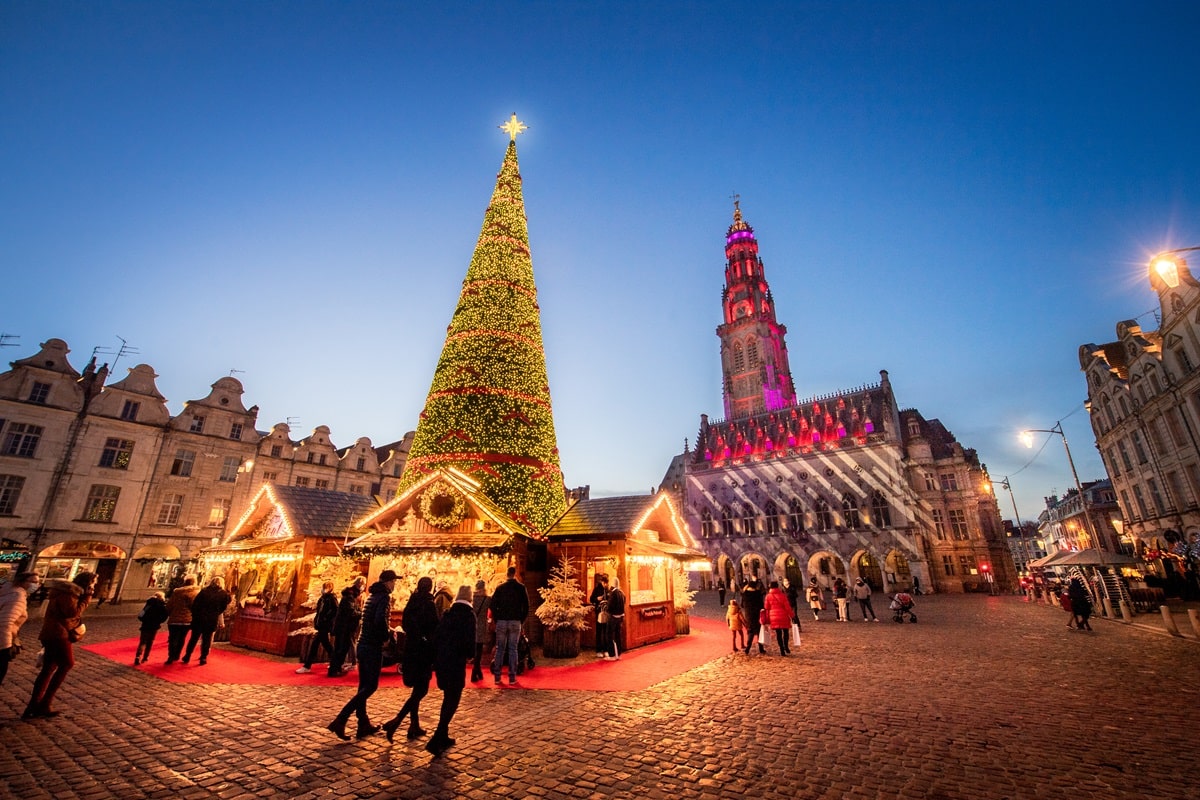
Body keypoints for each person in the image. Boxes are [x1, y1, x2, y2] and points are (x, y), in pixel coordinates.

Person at [328, 569, 396, 741]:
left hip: (363, 643)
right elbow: (380, 620)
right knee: (371, 686)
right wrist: (387, 636)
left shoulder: (372, 596)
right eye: (394, 581)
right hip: (373, 645)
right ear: (388, 582)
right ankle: (341, 718)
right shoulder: (384, 597)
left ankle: (363, 723)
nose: (395, 584)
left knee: (364, 685)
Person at [24, 571, 95, 719]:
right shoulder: (68, 593)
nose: (95, 586)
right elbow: (72, 612)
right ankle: (44, 703)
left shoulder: (68, 593)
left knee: (49, 668)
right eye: (93, 583)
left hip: (53, 633)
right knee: (67, 664)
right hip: (58, 634)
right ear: (87, 583)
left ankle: (34, 705)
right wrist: (87, 598)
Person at [382, 576, 438, 742]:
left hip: (411, 648)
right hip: (423, 651)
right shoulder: (429, 603)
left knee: (417, 689)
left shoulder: (412, 602)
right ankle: (397, 720)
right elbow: (434, 626)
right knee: (421, 690)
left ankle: (414, 724)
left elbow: (406, 624)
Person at [426, 584, 476, 757]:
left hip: (443, 661)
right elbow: (470, 640)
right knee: (453, 699)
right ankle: (438, 736)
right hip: (456, 662)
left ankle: (443, 735)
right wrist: (470, 654)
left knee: (448, 696)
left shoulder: (448, 614)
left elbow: (438, 636)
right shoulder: (468, 616)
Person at [490, 566, 529, 684]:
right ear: (515, 574)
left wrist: (497, 618)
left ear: (506, 574)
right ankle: (512, 677)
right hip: (515, 621)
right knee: (513, 649)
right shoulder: (521, 588)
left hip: (501, 621)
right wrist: (521, 620)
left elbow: (492, 605)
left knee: (500, 649)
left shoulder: (500, 588)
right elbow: (526, 606)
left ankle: (497, 677)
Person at [0, 572, 39, 684]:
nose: (36, 585)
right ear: (22, 582)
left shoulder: (7, 591)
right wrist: (5, 647)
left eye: (37, 582)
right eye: (33, 582)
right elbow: (5, 623)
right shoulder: (17, 597)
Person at [183, 577, 232, 665]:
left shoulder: (204, 591)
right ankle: (203, 657)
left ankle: (187, 655)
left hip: (199, 618)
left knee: (194, 638)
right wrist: (215, 612)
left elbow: (195, 604)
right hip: (211, 619)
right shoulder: (223, 594)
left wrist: (195, 614)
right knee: (207, 639)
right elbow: (223, 607)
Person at [297, 581, 337, 674]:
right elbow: (319, 611)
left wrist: (325, 618)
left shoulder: (331, 598)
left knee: (315, 644)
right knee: (326, 644)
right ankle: (336, 661)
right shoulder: (322, 599)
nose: (323, 589)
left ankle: (307, 665)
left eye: (325, 587)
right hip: (321, 624)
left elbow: (334, 610)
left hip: (325, 625)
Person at [327, 583, 363, 676]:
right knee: (340, 649)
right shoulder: (349, 599)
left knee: (341, 648)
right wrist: (360, 613)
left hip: (344, 628)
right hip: (344, 628)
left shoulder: (348, 598)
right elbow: (352, 612)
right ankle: (334, 670)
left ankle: (336, 668)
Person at [163, 575, 199, 663]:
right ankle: (177, 655)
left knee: (173, 638)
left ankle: (171, 656)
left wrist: (169, 613)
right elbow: (195, 607)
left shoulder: (177, 592)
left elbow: (169, 605)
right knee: (181, 638)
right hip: (187, 619)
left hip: (174, 619)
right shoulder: (195, 593)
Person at [133, 591, 169, 665]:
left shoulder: (149, 604)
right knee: (150, 641)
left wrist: (144, 620)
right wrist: (159, 621)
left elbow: (141, 615)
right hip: (155, 626)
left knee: (142, 642)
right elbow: (165, 616)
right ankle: (145, 657)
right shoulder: (162, 606)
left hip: (145, 625)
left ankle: (138, 656)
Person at [762, 580, 795, 655]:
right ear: (777, 586)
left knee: (778, 634)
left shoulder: (768, 596)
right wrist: (792, 615)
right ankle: (786, 646)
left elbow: (766, 607)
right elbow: (787, 607)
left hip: (773, 617)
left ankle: (782, 650)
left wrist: (767, 618)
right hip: (783, 616)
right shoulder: (782, 595)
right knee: (785, 632)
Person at [470, 579, 490, 682]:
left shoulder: (471, 598)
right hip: (482, 626)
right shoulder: (487, 599)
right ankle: (475, 671)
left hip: (472, 625)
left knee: (475, 650)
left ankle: (477, 671)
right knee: (479, 650)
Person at [740, 574, 766, 654]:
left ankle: (748, 648)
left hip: (749, 615)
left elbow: (742, 605)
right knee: (759, 631)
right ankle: (761, 648)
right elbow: (762, 605)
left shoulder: (745, 595)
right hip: (757, 614)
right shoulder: (758, 593)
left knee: (750, 631)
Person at [604, 576, 626, 661]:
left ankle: (612, 654)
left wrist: (606, 608)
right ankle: (619, 654)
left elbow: (610, 606)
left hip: (613, 616)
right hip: (620, 617)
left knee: (609, 635)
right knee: (618, 635)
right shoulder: (622, 593)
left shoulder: (613, 593)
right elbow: (624, 602)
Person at [589, 574, 609, 658]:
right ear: (602, 582)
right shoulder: (597, 589)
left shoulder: (607, 590)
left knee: (606, 632)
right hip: (599, 613)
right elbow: (591, 599)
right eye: (605, 583)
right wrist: (597, 599)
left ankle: (606, 650)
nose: (606, 585)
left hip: (606, 612)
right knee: (599, 632)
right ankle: (598, 650)